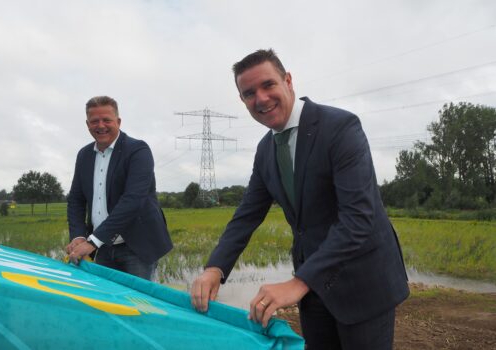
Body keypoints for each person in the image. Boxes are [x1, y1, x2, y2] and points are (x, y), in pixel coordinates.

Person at [191, 50, 409, 349]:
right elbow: (247, 214)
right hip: (314, 289)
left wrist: (298, 282)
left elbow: (358, 218)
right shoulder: (266, 150)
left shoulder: (341, 128)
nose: (261, 98)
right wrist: (215, 268)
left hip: (363, 283)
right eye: (249, 93)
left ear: (288, 80)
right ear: (243, 101)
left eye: (268, 85)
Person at [66, 96, 172, 280]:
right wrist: (78, 237)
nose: (101, 126)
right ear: (87, 124)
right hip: (103, 247)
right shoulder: (84, 155)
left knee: (138, 303)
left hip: (137, 247)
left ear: (118, 121)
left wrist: (93, 241)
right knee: (106, 301)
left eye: (106, 120)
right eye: (94, 121)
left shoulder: (138, 150)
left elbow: (133, 200)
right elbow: (76, 199)